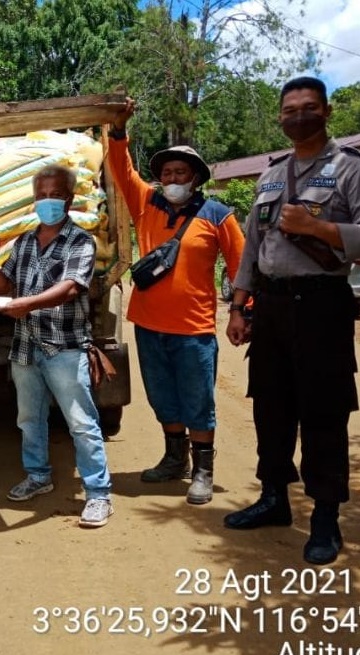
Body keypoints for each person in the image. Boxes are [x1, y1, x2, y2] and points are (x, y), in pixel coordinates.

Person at [224, 76, 360, 564]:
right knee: (270, 407)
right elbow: (253, 249)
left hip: (322, 306)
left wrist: (317, 227)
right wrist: (239, 306)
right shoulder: (270, 175)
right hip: (271, 307)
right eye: (290, 109)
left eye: (309, 107)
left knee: (323, 411)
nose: (299, 116)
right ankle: (274, 498)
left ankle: (325, 518)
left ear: (327, 111)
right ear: (280, 117)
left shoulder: (352, 168)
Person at [107, 99, 245, 505]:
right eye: (166, 172)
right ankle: (174, 460)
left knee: (198, 399)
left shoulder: (218, 214)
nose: (172, 178)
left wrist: (242, 310)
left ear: (196, 178)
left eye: (180, 172)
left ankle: (203, 469)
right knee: (162, 396)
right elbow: (121, 169)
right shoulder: (146, 203)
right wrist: (118, 131)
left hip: (194, 328)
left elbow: (243, 266)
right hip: (149, 324)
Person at [0, 164, 114, 529]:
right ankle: (38, 476)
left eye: (55, 195)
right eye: (41, 195)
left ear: (69, 200)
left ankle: (98, 494)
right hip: (25, 347)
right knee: (28, 418)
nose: (47, 201)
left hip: (65, 348)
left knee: (81, 422)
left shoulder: (81, 241)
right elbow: (1, 288)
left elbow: (72, 286)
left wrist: (28, 303)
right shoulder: (24, 242)